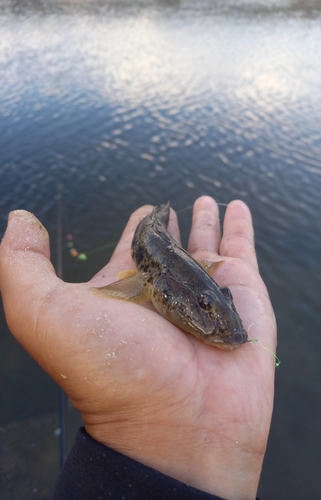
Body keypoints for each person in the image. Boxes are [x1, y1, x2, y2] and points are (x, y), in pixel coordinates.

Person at [0, 196, 277, 500]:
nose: (228, 329)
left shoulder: (192, 290)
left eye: (220, 299)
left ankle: (164, 211)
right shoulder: (153, 277)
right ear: (154, 284)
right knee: (154, 218)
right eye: (205, 304)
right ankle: (161, 209)